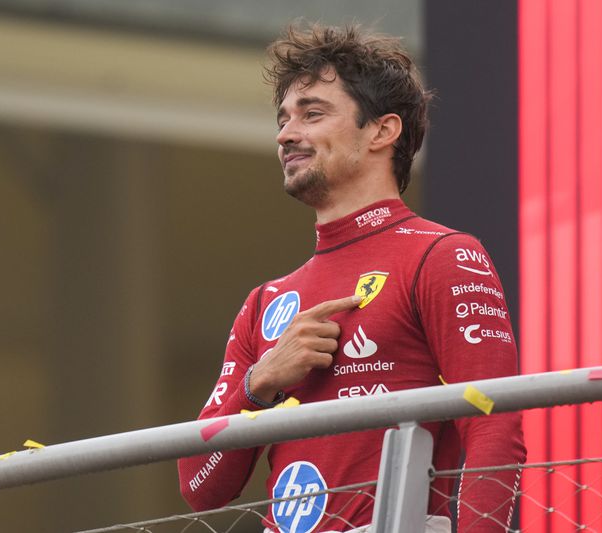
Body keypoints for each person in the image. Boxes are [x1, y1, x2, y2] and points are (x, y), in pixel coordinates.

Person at [178, 23, 526, 533]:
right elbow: (198, 488)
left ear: (382, 132)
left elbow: (496, 428)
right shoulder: (265, 302)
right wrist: (260, 383)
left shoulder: (443, 255)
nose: (285, 134)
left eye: (312, 113)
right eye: (283, 119)